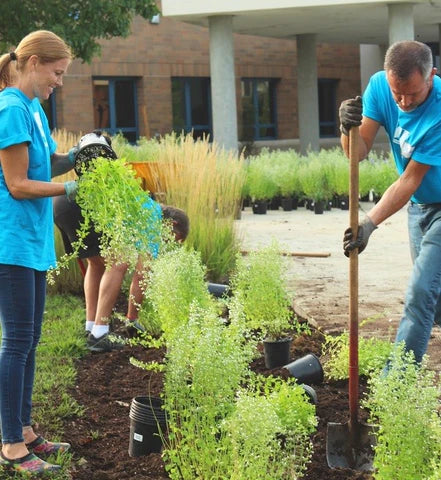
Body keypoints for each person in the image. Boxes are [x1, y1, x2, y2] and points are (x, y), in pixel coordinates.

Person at [0, 30, 79, 475]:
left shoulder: (33, 106)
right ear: (32, 63)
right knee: (15, 344)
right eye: (56, 72)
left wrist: (81, 155)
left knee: (28, 341)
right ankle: (11, 444)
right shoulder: (10, 108)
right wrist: (71, 187)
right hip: (9, 242)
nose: (59, 82)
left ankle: (25, 429)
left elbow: (43, 162)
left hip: (32, 242)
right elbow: (17, 184)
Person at [340, 40, 441, 365]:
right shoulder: (379, 88)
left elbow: (410, 180)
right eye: (397, 93)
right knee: (434, 305)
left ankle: (396, 381)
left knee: (421, 293)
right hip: (419, 209)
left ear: (431, 77)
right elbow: (357, 154)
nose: (403, 101)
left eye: (412, 93)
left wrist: (369, 224)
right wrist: (347, 128)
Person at [54, 193, 189, 352]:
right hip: (81, 204)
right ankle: (99, 335)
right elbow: (142, 275)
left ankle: (92, 328)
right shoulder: (153, 217)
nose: (167, 243)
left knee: (96, 264)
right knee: (120, 260)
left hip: (63, 203)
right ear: (171, 224)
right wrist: (132, 319)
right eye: (173, 238)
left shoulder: (143, 204)